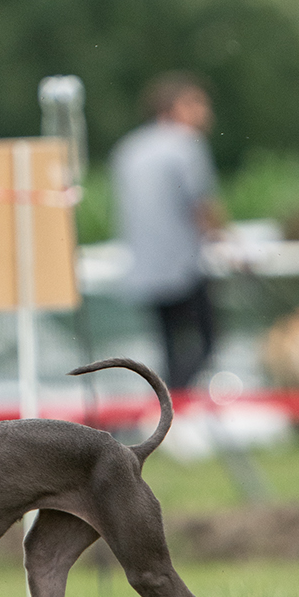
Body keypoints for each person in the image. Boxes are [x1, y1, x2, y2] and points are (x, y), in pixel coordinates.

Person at [110, 73, 224, 390]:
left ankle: (166, 404)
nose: (205, 112)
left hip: (145, 267)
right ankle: (175, 400)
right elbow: (201, 206)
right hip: (182, 267)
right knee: (208, 341)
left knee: (168, 348)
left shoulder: (129, 148)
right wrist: (226, 241)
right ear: (173, 107)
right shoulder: (185, 144)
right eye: (196, 103)